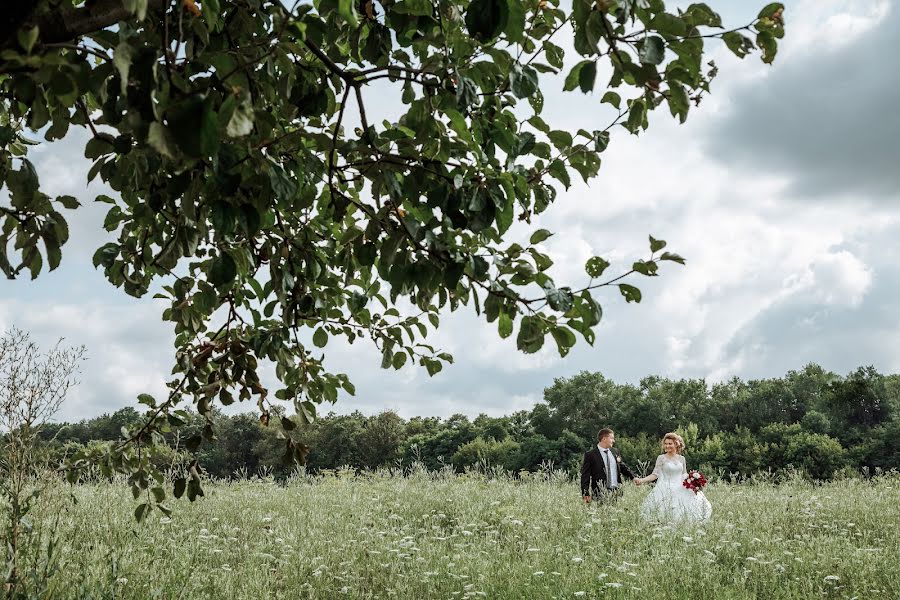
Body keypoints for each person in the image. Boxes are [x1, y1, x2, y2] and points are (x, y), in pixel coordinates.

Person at [634, 432, 712, 523]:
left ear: (676, 444)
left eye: (670, 444)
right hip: (665, 488)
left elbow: (684, 474)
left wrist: (695, 480)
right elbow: (655, 474)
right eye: (665, 444)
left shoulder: (682, 459)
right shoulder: (661, 458)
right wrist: (642, 480)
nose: (667, 446)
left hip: (680, 488)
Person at [580, 428, 638, 503]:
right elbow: (585, 475)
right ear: (604, 439)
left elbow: (622, 467)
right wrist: (585, 493)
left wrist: (633, 477)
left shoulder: (615, 451)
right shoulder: (590, 455)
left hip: (616, 492)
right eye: (612, 438)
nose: (613, 441)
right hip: (600, 493)